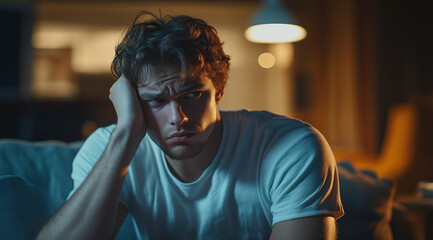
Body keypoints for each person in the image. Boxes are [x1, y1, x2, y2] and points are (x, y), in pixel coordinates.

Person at [37, 11, 344, 240]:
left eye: (193, 94)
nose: (178, 117)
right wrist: (125, 136)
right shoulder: (112, 147)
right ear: (134, 102)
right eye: (155, 101)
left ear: (219, 89)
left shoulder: (291, 146)